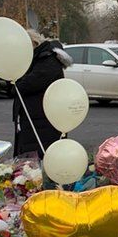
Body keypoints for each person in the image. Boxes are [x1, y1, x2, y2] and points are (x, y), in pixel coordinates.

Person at [13, 29, 72, 158]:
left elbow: (26, 85)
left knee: (42, 155)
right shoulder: (37, 60)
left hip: (43, 119)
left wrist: (16, 81)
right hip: (34, 118)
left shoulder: (48, 60)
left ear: (33, 43)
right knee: (33, 156)